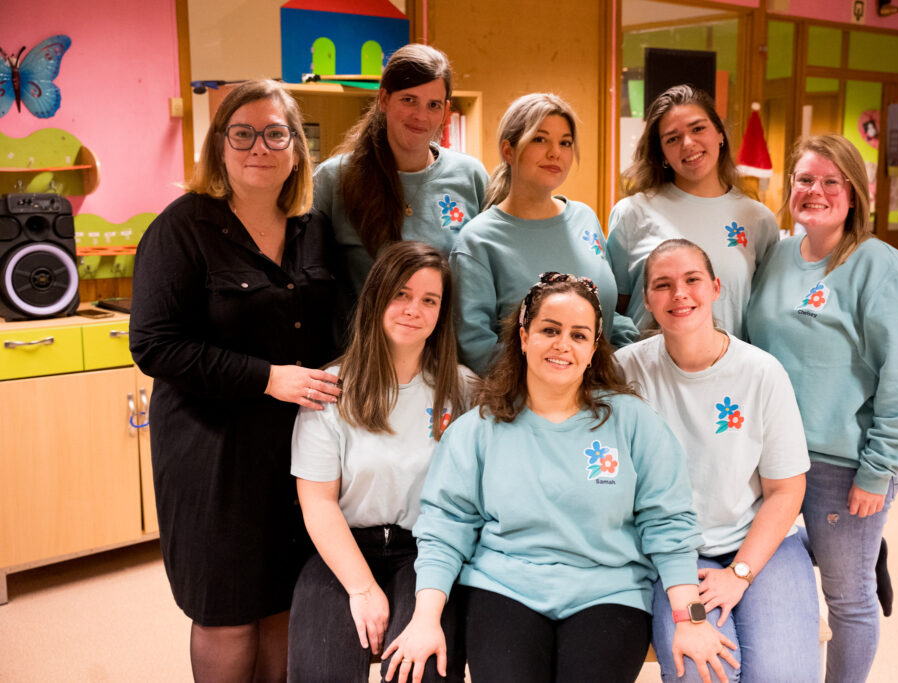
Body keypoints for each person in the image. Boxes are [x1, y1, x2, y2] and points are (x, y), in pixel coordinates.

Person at [382, 272, 738, 683]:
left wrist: (691, 620)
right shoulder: (478, 428)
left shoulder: (634, 423)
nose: (562, 345)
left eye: (578, 335)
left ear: (593, 349)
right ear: (523, 337)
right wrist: (425, 619)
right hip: (504, 587)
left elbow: (669, 525)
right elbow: (446, 528)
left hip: (610, 592)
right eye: (549, 330)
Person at [130, 79, 346, 681]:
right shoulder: (182, 228)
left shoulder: (311, 226)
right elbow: (154, 345)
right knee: (226, 611)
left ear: (296, 147)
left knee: (282, 599)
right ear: (219, 146)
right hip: (212, 451)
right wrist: (267, 378)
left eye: (276, 134)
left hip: (297, 446)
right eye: (243, 133)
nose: (260, 147)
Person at [746, 134, 898, 683]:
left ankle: (858, 555)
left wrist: (879, 471)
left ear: (854, 195)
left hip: (842, 464)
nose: (817, 191)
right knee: (763, 560)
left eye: (832, 181)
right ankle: (860, 548)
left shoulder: (881, 267)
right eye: (805, 179)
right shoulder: (777, 255)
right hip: (771, 455)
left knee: (848, 598)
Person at [615, 239, 819, 683]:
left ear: (715, 287)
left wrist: (739, 574)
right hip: (676, 555)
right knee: (703, 672)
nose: (679, 294)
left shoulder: (762, 373)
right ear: (647, 299)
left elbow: (786, 490)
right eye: (663, 285)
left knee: (782, 677)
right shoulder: (624, 373)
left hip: (760, 541)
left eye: (692, 280)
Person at [288, 241, 474, 681]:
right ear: (375, 298)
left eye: (429, 300)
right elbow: (318, 503)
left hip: (428, 551)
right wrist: (362, 589)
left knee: (421, 670)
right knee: (320, 672)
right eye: (401, 294)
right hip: (345, 546)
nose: (414, 309)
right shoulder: (330, 387)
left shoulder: (464, 390)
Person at [450, 93, 637, 375]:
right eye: (540, 139)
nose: (555, 153)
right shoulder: (478, 241)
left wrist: (623, 365)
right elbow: (476, 348)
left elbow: (611, 313)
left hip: (601, 390)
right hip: (525, 397)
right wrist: (558, 385)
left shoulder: (585, 218)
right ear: (508, 151)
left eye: (565, 143)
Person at [314, 43, 488, 295]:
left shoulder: (471, 176)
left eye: (433, 105)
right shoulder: (333, 179)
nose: (421, 116)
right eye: (409, 100)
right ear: (384, 99)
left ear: (446, 111)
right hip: (358, 323)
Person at [607, 85, 778, 337]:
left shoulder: (758, 220)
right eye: (672, 139)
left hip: (728, 361)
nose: (688, 143)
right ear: (662, 154)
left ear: (720, 134)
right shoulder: (632, 213)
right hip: (644, 360)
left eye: (698, 129)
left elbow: (764, 317)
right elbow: (613, 310)